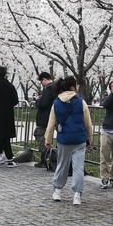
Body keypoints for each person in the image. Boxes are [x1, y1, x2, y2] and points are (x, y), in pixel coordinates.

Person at [44, 76, 93, 205]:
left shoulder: (56, 103)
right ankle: (77, 195)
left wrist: (48, 140)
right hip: (79, 139)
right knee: (78, 168)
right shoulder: (81, 102)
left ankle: (57, 192)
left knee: (62, 165)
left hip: (64, 138)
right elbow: (88, 124)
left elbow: (50, 124)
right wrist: (90, 138)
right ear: (73, 87)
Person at [33, 72, 56, 168]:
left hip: (44, 118)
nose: (42, 84)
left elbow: (43, 104)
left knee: (40, 136)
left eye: (41, 81)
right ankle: (51, 158)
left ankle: (44, 159)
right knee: (48, 138)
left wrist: (38, 101)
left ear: (44, 79)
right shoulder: (56, 88)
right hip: (52, 117)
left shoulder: (48, 89)